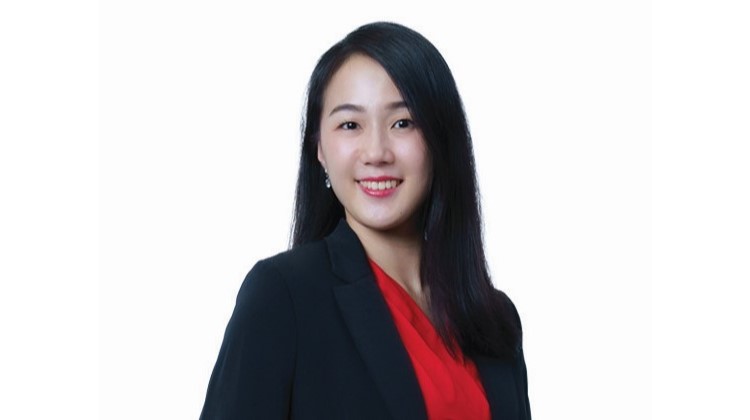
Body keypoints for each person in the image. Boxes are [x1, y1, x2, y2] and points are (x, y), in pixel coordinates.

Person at [199, 21, 530, 420]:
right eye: (350, 125)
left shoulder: (494, 318)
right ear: (319, 148)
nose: (376, 152)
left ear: (441, 139)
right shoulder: (282, 297)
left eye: (403, 122)